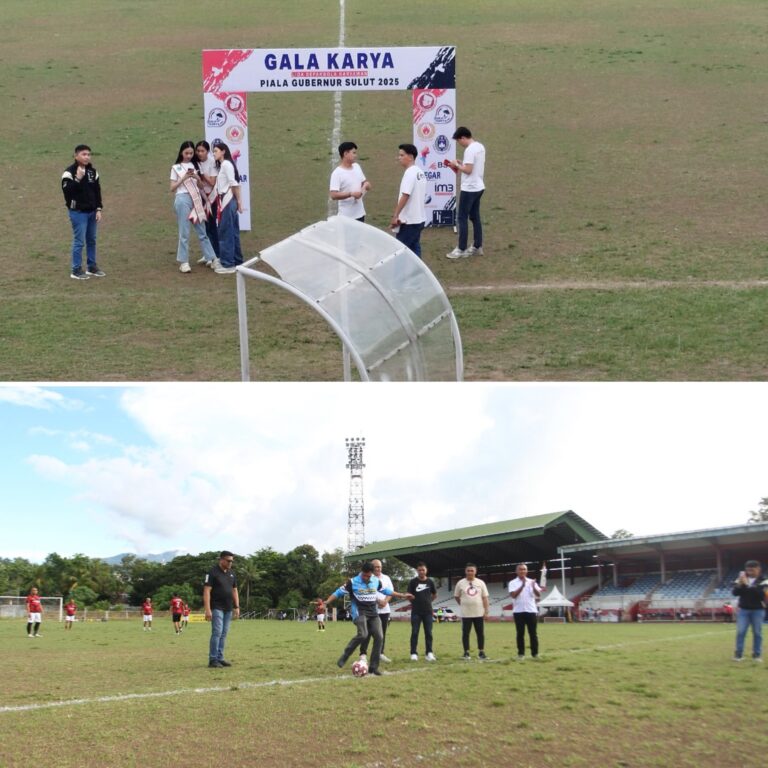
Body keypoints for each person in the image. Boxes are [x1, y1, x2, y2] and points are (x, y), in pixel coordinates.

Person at [325, 561, 412, 676]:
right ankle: (345, 655)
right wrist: (326, 602)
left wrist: (402, 595)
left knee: (379, 636)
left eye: (368, 576)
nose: (366, 578)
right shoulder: (352, 582)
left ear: (372, 574)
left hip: (373, 613)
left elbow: (387, 591)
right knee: (363, 634)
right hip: (359, 612)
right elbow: (338, 592)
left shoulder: (376, 581)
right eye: (364, 575)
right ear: (362, 572)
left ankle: (373, 667)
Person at [169, 140, 217, 273]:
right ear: (181, 153)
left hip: (196, 198)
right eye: (186, 153)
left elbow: (201, 186)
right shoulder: (176, 168)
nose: (189, 155)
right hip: (182, 199)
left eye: (191, 153)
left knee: (202, 230)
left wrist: (197, 178)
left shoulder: (196, 165)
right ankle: (184, 262)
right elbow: (172, 188)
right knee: (184, 232)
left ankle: (211, 258)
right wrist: (183, 178)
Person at [61, 144, 105, 280]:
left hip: (92, 212)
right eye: (84, 154)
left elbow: (97, 192)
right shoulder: (69, 172)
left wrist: (98, 209)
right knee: (79, 241)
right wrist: (78, 179)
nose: (87, 157)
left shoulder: (93, 172)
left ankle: (91, 266)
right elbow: (67, 192)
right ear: (76, 156)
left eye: (89, 154)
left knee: (91, 240)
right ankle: (76, 269)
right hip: (78, 212)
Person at [444, 126, 486, 259]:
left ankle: (461, 248)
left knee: (462, 217)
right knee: (475, 217)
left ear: (463, 138)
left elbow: (468, 170)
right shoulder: (480, 147)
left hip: (469, 188)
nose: (459, 144)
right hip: (479, 186)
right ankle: (477, 246)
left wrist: (456, 165)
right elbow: (471, 167)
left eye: (458, 141)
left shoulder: (469, 150)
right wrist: (461, 164)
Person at [211, 141, 244, 275]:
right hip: (228, 200)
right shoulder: (227, 165)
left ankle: (228, 263)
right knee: (233, 231)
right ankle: (237, 260)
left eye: (216, 151)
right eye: (213, 151)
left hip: (227, 200)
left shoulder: (226, 164)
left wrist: (239, 202)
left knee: (225, 231)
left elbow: (234, 183)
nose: (214, 154)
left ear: (223, 151)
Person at [203, 550, 240, 668]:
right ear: (221, 559)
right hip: (216, 607)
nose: (230, 563)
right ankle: (213, 659)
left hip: (228, 608)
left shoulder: (232, 574)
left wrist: (237, 606)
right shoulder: (212, 572)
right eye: (228, 561)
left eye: (232, 561)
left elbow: (235, 590)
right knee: (217, 632)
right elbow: (207, 591)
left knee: (223, 634)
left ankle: (220, 657)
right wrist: (208, 609)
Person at [390, 143, 427, 257]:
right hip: (419, 218)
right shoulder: (420, 172)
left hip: (409, 221)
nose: (399, 158)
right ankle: (419, 273)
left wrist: (395, 216)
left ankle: (401, 274)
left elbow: (405, 195)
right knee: (414, 248)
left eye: (402, 155)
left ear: (410, 157)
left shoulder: (410, 173)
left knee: (400, 252)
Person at [359, 559, 394, 663]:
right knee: (367, 633)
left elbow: (390, 592)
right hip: (370, 610)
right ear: (372, 567)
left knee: (381, 633)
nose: (379, 569)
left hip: (384, 611)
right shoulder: (367, 578)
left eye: (380, 567)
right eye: (376, 567)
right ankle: (363, 655)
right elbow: (363, 593)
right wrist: (377, 600)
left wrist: (385, 601)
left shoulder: (386, 578)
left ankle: (380, 653)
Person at [732, 560, 767, 662]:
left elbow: (762, 595)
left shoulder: (764, 580)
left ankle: (757, 655)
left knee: (757, 633)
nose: (750, 572)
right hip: (743, 610)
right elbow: (735, 593)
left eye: (752, 570)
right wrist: (740, 584)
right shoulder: (741, 579)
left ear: (758, 569)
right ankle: (738, 654)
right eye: (748, 570)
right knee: (741, 632)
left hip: (758, 610)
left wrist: (748, 585)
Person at [453, 563, 489, 659]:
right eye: (468, 570)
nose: (470, 572)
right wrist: (463, 603)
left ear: (475, 572)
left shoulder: (481, 583)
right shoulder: (460, 583)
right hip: (466, 614)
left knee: (480, 633)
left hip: (479, 613)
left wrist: (486, 611)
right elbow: (456, 596)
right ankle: (466, 652)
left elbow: (485, 598)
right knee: (465, 633)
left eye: (472, 570)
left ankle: (481, 652)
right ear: (465, 571)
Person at [329, 141, 372, 221]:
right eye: (354, 153)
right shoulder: (337, 173)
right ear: (345, 154)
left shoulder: (357, 167)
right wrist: (351, 194)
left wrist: (366, 185)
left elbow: (364, 182)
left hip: (360, 215)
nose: (356, 155)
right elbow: (333, 195)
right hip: (346, 217)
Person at [508, 563, 543, 660]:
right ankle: (521, 654)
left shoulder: (532, 582)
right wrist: (522, 586)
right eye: (520, 569)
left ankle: (535, 654)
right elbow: (513, 595)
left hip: (531, 610)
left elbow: (538, 595)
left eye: (524, 569)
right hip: (518, 611)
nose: (522, 571)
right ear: (516, 571)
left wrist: (534, 586)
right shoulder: (512, 582)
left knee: (533, 633)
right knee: (520, 633)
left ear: (527, 571)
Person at [195, 140, 221, 266]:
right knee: (203, 227)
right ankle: (207, 255)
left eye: (202, 151)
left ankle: (216, 254)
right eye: (198, 151)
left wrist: (201, 175)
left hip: (211, 198)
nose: (200, 153)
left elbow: (212, 182)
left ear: (207, 151)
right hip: (200, 197)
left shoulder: (212, 162)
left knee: (212, 226)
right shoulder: (194, 162)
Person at [407, 561, 437, 661]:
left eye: (423, 570)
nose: (421, 572)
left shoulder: (430, 582)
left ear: (426, 570)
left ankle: (429, 653)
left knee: (429, 633)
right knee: (414, 632)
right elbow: (409, 596)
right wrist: (416, 603)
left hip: (428, 612)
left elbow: (434, 595)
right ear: (417, 571)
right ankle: (413, 653)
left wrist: (428, 602)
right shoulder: (413, 582)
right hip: (416, 612)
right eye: (419, 570)